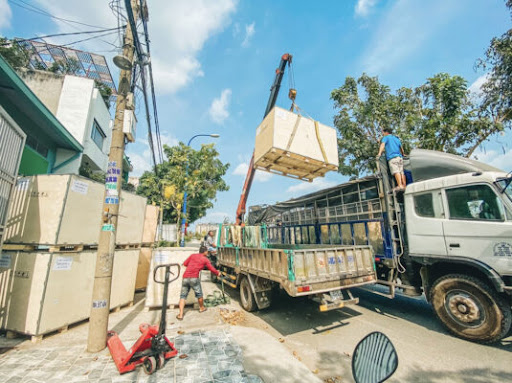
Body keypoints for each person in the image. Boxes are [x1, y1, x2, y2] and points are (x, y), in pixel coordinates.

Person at [176, 245, 220, 320]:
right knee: (199, 294)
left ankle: (180, 315)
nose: (207, 253)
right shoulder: (205, 259)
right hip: (194, 278)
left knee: (183, 296)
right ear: (205, 252)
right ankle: (202, 308)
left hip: (185, 277)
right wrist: (217, 273)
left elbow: (185, 264)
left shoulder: (192, 255)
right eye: (207, 251)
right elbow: (211, 269)